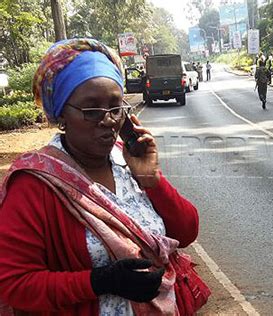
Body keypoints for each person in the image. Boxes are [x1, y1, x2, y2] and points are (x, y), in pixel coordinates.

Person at [0, 38, 203, 315]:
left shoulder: (127, 160)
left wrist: (152, 179)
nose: (108, 119)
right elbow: (13, 283)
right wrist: (100, 281)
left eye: (115, 107)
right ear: (61, 114)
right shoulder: (35, 184)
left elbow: (187, 231)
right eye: (91, 109)